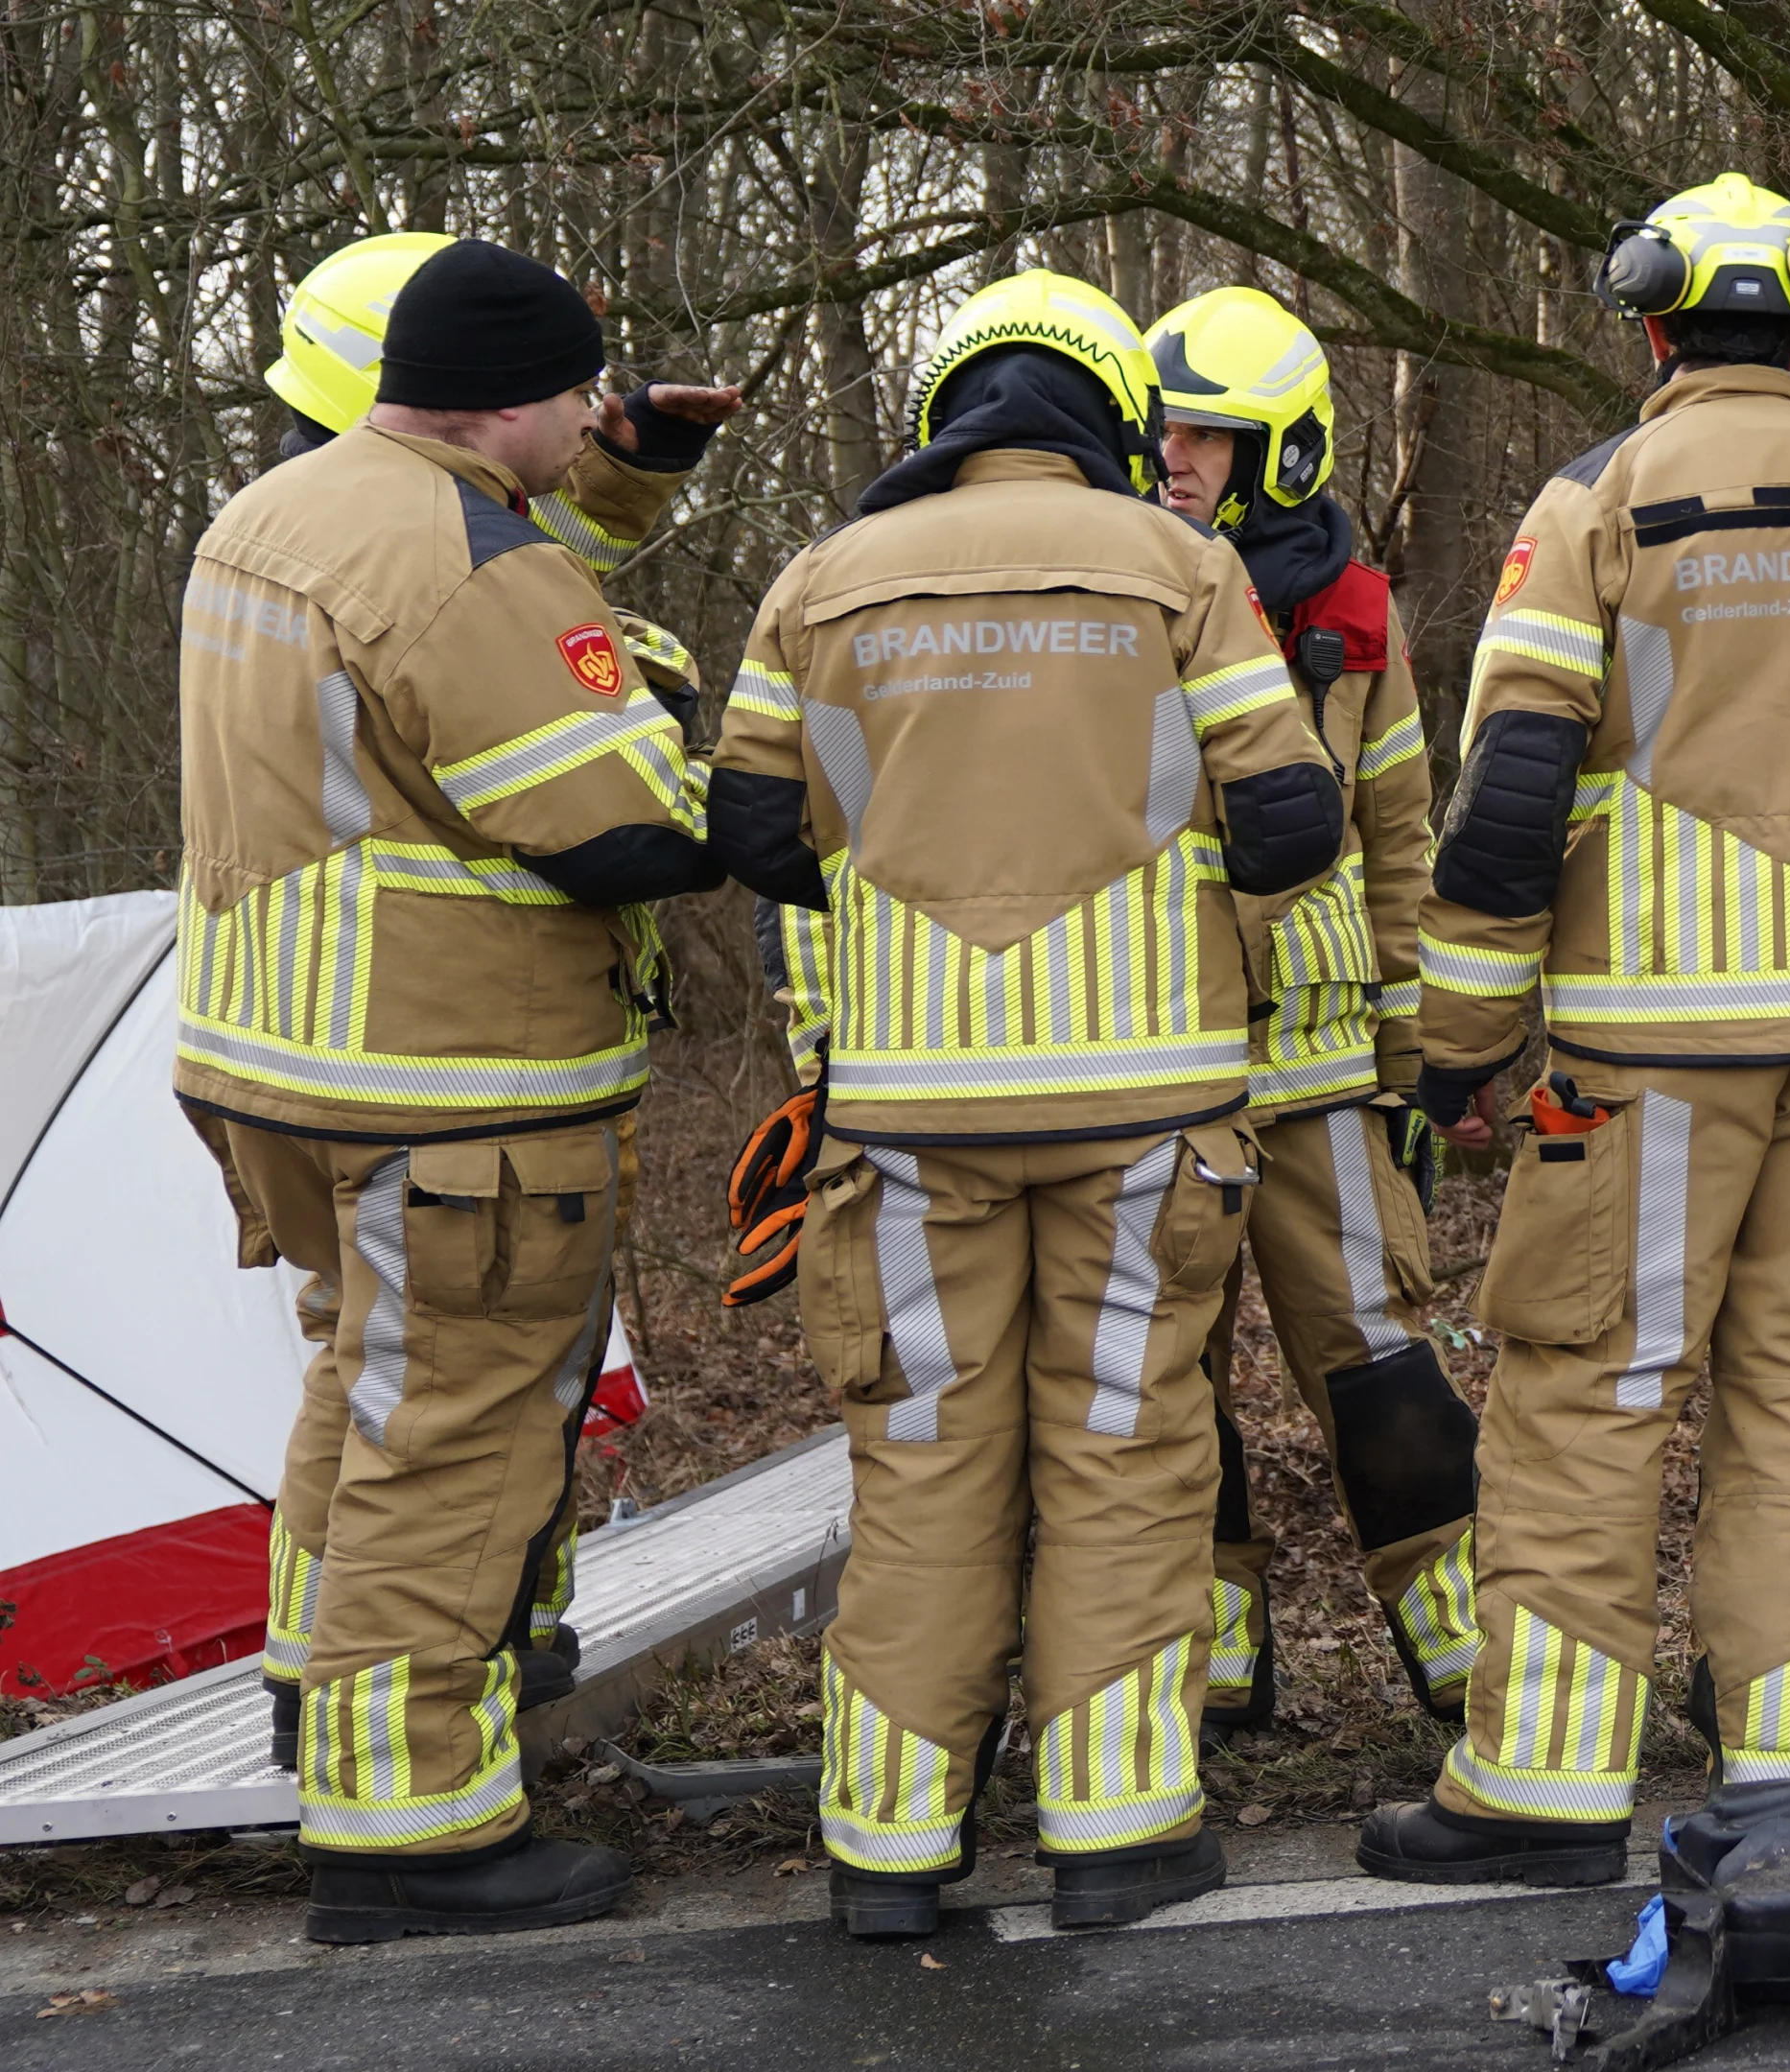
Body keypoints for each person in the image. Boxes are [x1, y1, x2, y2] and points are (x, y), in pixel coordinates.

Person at [1356, 175, 1790, 1887]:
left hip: (1644, 1053)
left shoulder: (1598, 502)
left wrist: (1462, 1044)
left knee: (1591, 1394)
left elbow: (1513, 790)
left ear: (1655, 324)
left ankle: (1542, 1784)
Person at [707, 270, 1345, 1939]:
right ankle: (1119, 1828)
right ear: (1115, 420)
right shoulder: (1182, 568)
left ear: (947, 413)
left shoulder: (822, 581)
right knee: (1127, 1445)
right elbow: (1291, 823)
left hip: (911, 1113)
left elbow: (757, 833)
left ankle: (891, 1848)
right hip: (1148, 1106)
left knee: (921, 1459)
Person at [177, 237, 727, 1941]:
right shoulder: (472, 564)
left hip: (286, 1068)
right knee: (462, 1437)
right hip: (459, 1083)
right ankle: (409, 1828)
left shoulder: (281, 509)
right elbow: (622, 823)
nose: (588, 420)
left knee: (364, 1393)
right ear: (507, 404)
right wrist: (697, 732)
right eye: (576, 398)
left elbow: (475, 600)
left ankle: (320, 1695)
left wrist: (626, 484)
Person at [1141, 284, 1480, 1744]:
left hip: (1324, 1065)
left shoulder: (1352, 609)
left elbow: (1401, 831)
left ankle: (1472, 1658)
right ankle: (1214, 1662)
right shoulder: (1115, 584)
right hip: (1155, 1057)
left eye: (1210, 438)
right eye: (1164, 431)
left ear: (1284, 450)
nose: (1177, 458)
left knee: (1378, 1358)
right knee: (1167, 1370)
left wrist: (1419, 1060)